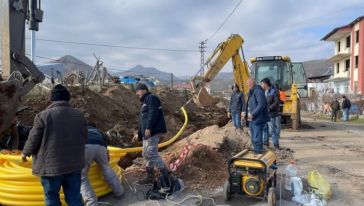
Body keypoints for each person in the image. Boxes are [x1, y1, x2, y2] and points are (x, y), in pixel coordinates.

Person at [22, 84, 87, 206]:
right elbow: (84, 137)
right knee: (74, 197)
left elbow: (33, 138)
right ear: (68, 98)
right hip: (74, 165)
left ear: (52, 99)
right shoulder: (79, 115)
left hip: (51, 168)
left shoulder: (43, 116)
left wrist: (25, 153)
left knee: (51, 197)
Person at [81, 122, 124, 206]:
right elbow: (106, 145)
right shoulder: (98, 131)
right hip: (101, 146)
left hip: (85, 146)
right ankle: (119, 192)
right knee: (106, 168)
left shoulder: (79, 129)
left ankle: (91, 203)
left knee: (81, 176)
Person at [134, 83, 169, 184]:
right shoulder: (144, 102)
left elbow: (153, 113)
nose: (136, 93)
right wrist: (139, 134)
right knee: (146, 154)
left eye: (138, 91)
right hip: (146, 134)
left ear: (144, 90)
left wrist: (149, 128)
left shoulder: (151, 98)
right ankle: (150, 177)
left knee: (151, 153)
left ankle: (166, 174)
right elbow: (142, 121)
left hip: (153, 132)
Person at [244, 78, 270, 154]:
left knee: (257, 138)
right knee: (253, 138)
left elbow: (261, 105)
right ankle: (257, 151)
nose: (247, 85)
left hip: (259, 118)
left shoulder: (258, 91)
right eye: (247, 83)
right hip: (252, 119)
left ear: (252, 83)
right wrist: (244, 113)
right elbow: (248, 104)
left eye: (248, 83)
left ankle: (258, 153)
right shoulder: (251, 92)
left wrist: (253, 114)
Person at [261, 78, 281, 149]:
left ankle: (276, 144)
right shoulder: (263, 91)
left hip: (271, 113)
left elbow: (277, 101)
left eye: (262, 83)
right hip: (264, 113)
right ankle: (265, 143)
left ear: (266, 84)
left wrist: (269, 108)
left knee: (272, 129)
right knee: (264, 128)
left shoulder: (274, 91)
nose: (261, 85)